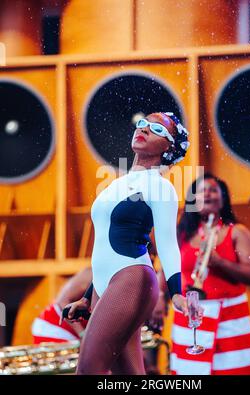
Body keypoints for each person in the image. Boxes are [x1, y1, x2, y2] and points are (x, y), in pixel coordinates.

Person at [62, 112, 190, 375]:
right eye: (143, 123)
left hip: (132, 279)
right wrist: (87, 297)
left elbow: (167, 243)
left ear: (168, 147)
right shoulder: (115, 185)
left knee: (88, 371)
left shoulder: (161, 187)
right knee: (128, 375)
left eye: (155, 129)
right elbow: (104, 248)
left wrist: (177, 291)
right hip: (105, 284)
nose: (143, 128)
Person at [152, 173, 250, 375]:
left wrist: (220, 262)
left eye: (213, 190)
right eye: (202, 191)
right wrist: (159, 297)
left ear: (223, 199)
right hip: (189, 314)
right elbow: (166, 269)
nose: (207, 194)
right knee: (189, 373)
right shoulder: (182, 233)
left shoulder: (237, 231)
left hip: (230, 318)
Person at [31, 268, 91, 343]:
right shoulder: (90, 274)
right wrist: (82, 333)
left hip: (75, 328)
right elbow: (63, 302)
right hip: (54, 325)